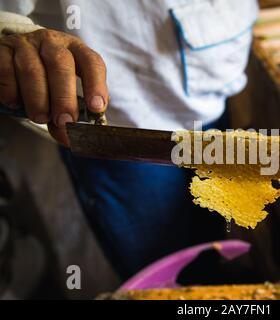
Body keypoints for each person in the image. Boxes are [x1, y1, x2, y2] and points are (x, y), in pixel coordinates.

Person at [0, 0, 258, 278]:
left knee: (211, 245)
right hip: (123, 120)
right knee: (163, 269)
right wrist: (7, 32)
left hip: (217, 77)